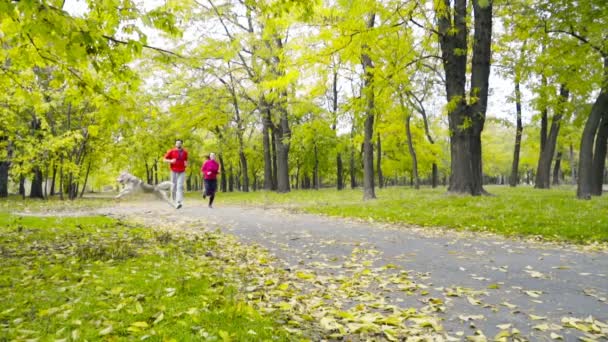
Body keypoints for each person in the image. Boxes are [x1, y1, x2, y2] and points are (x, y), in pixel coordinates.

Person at [163, 139, 188, 209]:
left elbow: (186, 160)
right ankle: (173, 200)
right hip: (173, 171)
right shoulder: (171, 151)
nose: (178, 144)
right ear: (175, 144)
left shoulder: (185, 152)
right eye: (177, 143)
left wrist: (186, 164)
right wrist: (170, 160)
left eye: (180, 143)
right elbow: (164, 159)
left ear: (181, 144)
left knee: (180, 187)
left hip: (182, 171)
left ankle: (178, 202)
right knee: (173, 186)